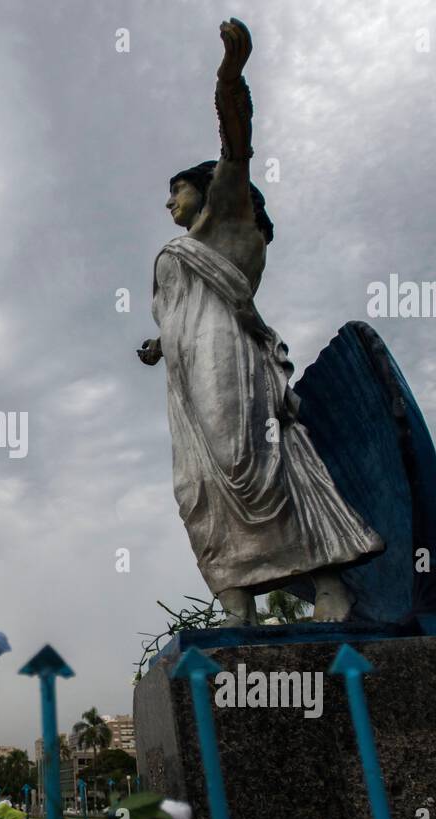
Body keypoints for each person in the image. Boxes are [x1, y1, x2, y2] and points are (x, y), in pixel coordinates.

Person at [138, 19, 383, 623]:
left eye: (177, 191)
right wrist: (160, 343)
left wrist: (229, 76)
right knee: (196, 484)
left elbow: (237, 143)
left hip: (229, 355)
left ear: (207, 189)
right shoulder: (183, 249)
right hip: (186, 373)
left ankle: (331, 583)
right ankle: (238, 600)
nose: (169, 203)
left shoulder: (225, 220)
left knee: (248, 459)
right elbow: (183, 315)